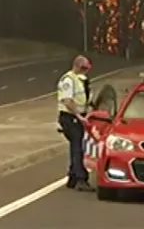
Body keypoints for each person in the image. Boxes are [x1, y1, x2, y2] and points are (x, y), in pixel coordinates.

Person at [57, 55, 95, 192]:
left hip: (80, 116)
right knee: (78, 146)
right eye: (84, 68)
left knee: (78, 145)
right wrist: (79, 116)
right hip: (70, 117)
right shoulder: (68, 80)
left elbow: (84, 98)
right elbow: (67, 101)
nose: (86, 71)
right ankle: (80, 178)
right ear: (78, 66)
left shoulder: (82, 80)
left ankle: (73, 177)